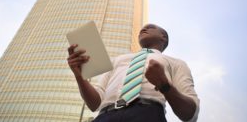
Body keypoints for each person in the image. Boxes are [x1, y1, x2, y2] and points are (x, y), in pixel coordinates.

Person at [67, 24, 199, 122]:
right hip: (104, 117)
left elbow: (190, 114)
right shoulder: (118, 60)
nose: (143, 29)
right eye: (142, 28)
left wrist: (165, 85)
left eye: (150, 27)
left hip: (147, 115)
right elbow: (94, 103)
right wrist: (79, 76)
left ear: (163, 37)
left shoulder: (176, 63)